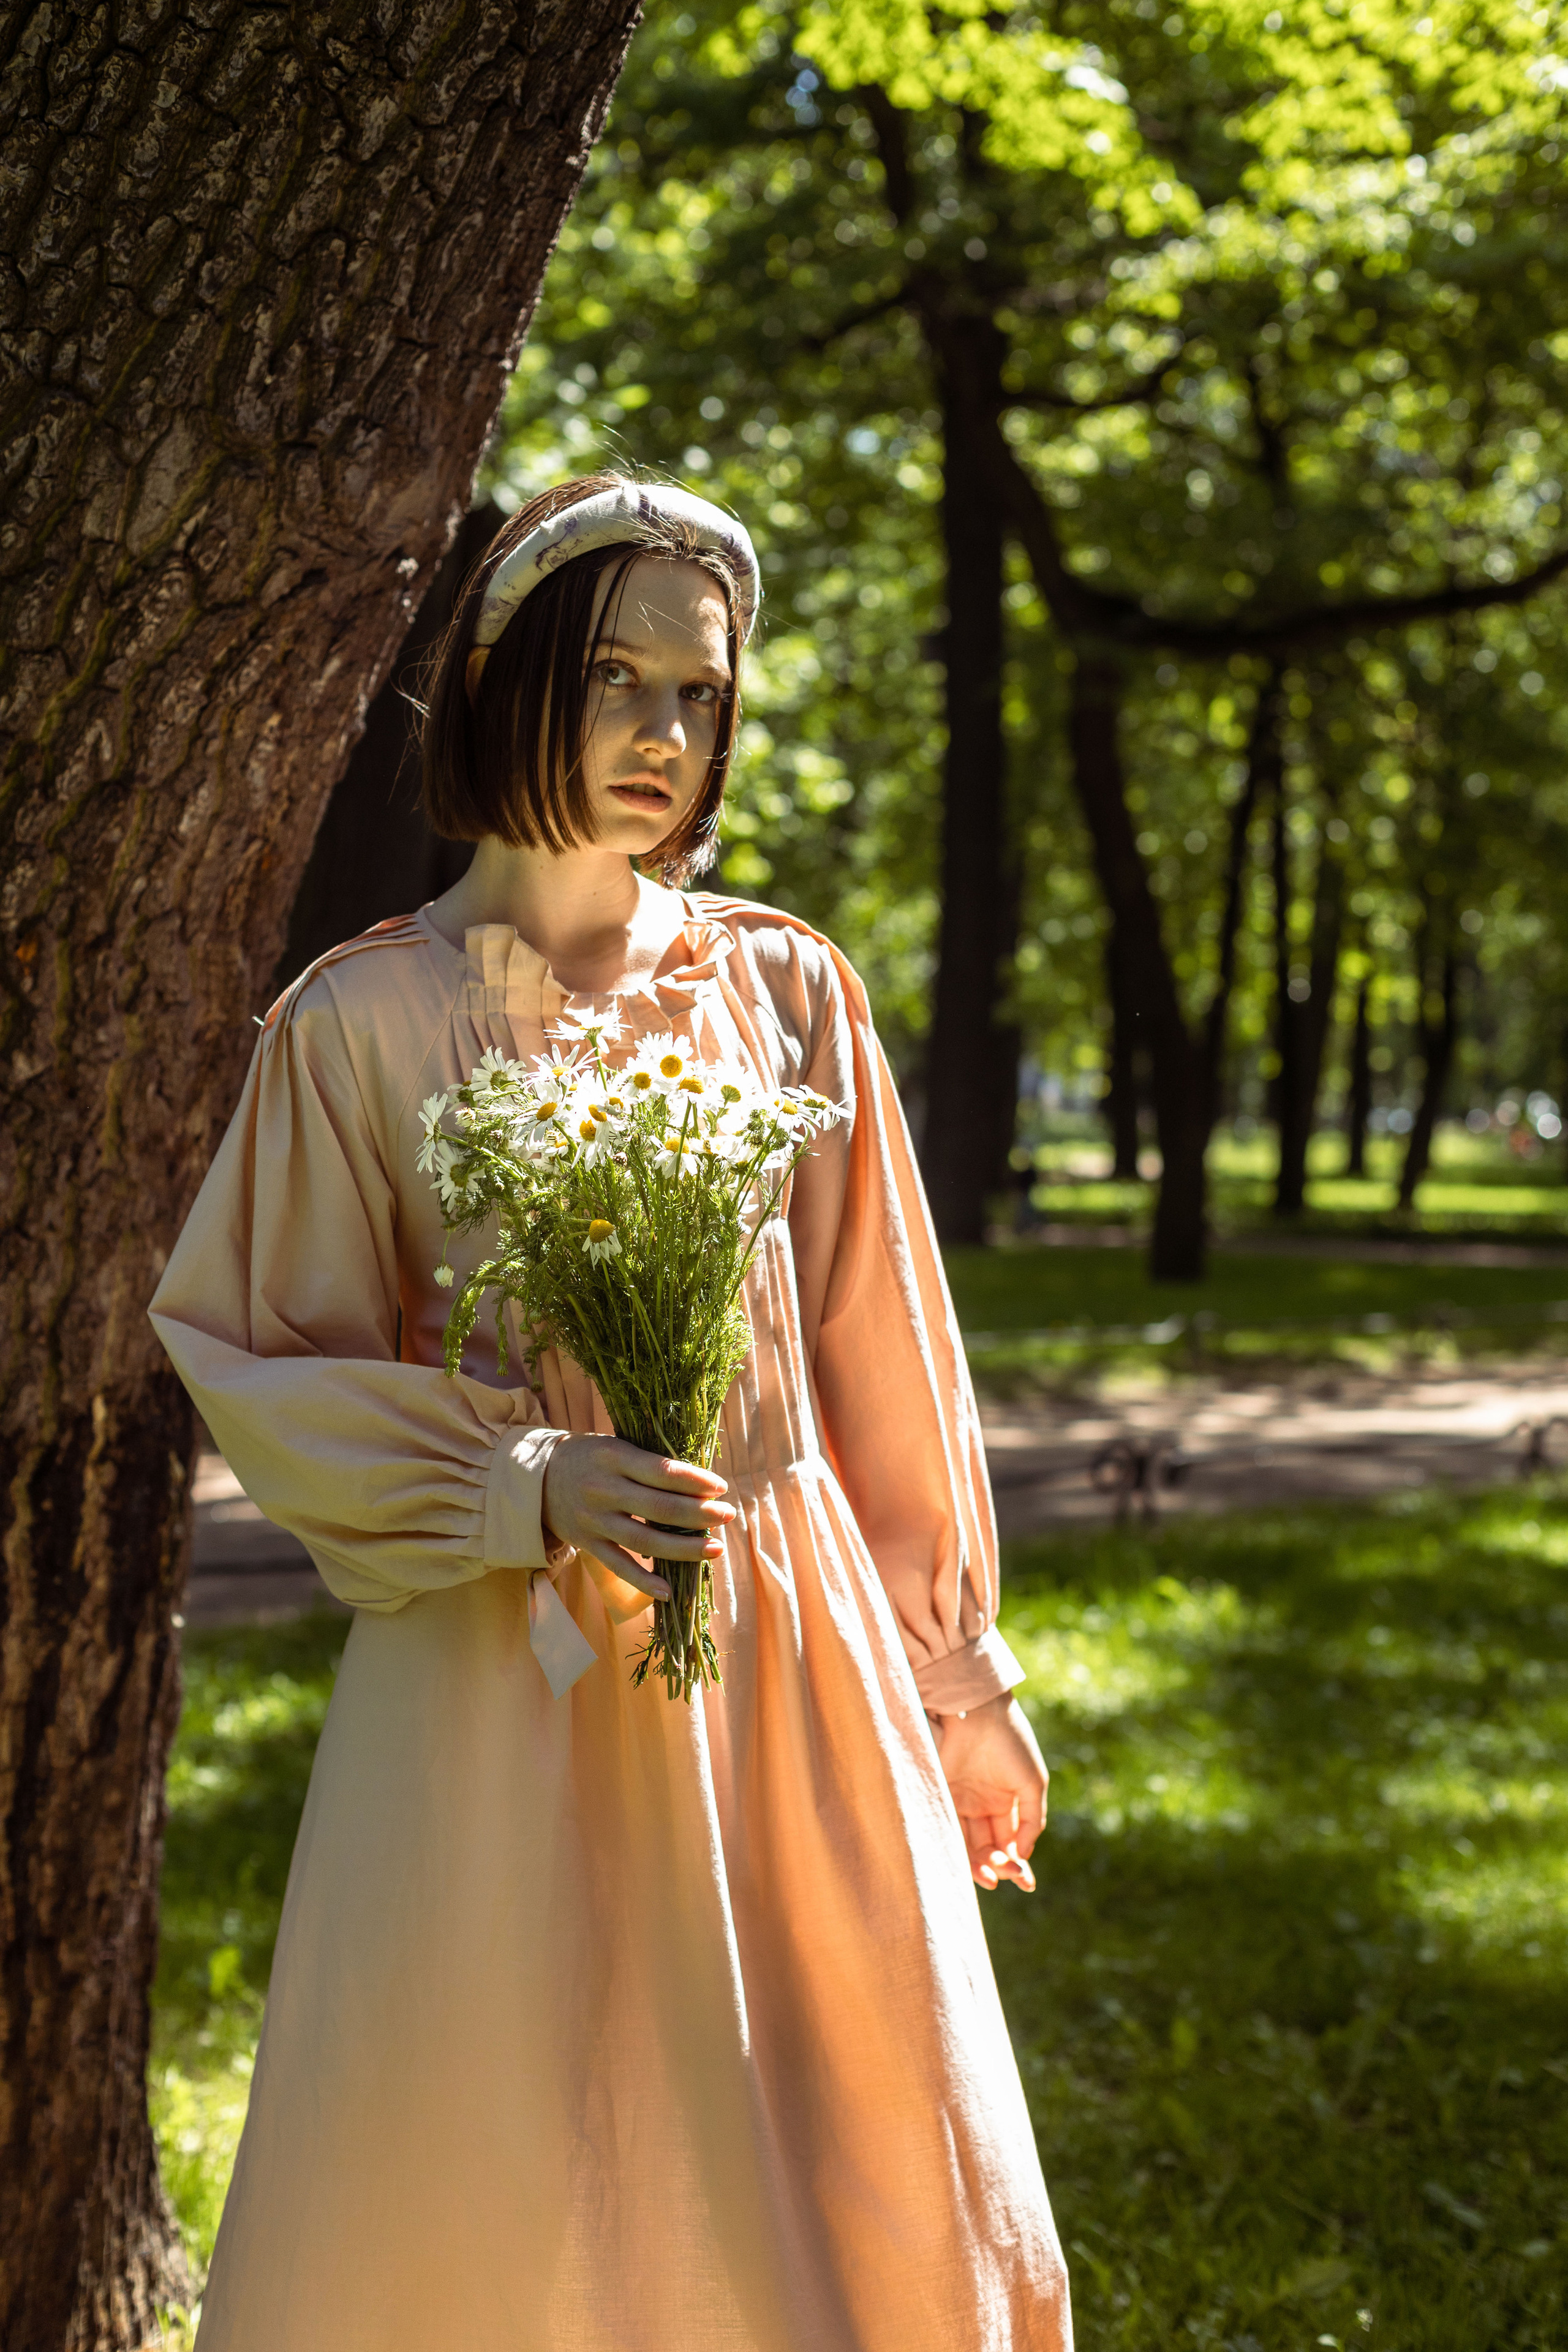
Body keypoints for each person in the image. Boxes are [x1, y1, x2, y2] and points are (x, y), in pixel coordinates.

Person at [151, 472, 1072, 2350]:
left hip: (787, 1673)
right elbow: (262, 1354)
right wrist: (524, 1480)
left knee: (848, 2150)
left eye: (700, 695)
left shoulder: (784, 992)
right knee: (509, 2148)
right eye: (614, 683)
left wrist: (962, 1690)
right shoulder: (360, 1023)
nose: (664, 736)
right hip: (498, 1688)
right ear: (502, 683)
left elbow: (880, 1363)